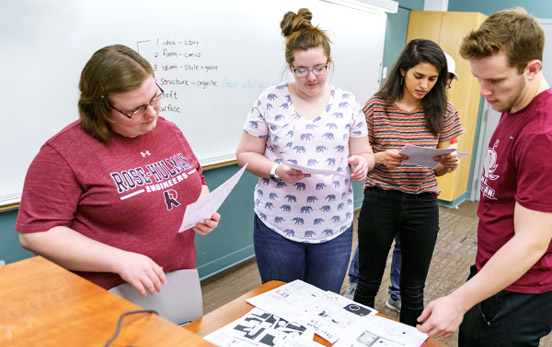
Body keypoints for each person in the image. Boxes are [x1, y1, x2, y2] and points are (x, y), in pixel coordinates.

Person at [416, 8, 552, 346]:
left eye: (495, 80)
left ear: (532, 69)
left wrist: (457, 301)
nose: (484, 91)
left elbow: (532, 243)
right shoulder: (515, 105)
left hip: (523, 288)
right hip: (498, 271)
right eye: (479, 79)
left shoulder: (548, 136)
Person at [15, 44, 221, 297]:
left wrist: (204, 209)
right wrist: (119, 260)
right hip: (104, 295)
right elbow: (36, 234)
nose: (151, 113)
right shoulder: (62, 154)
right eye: (134, 109)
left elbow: (196, 180)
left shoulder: (168, 131)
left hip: (177, 281)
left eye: (155, 98)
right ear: (99, 108)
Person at [236, 8, 374, 293]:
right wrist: (276, 170)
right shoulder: (270, 100)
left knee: (324, 306)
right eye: (302, 70)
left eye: (319, 68)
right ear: (290, 66)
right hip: (277, 225)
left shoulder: (347, 103)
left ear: (329, 63)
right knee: (279, 303)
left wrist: (362, 163)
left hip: (334, 224)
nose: (312, 77)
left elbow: (366, 153)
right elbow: (245, 154)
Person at [353, 39, 463, 327]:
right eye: (418, 76)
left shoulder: (445, 111)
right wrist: (379, 157)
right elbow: (360, 158)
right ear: (403, 70)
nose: (424, 85)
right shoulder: (376, 107)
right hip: (381, 200)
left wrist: (446, 164)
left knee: (413, 291)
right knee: (367, 283)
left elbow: (439, 167)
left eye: (432, 79)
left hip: (423, 204)